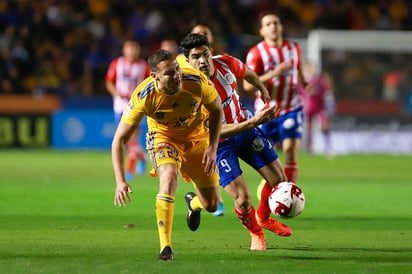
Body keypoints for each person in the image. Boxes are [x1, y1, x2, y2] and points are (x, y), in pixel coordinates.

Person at [180, 33, 292, 251]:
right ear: (188, 60)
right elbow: (216, 129)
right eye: (196, 57)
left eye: (205, 54)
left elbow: (248, 73)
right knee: (241, 198)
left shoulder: (226, 63)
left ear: (211, 52)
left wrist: (261, 87)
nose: (203, 61)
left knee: (279, 180)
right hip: (218, 144)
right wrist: (254, 122)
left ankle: (263, 218)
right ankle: (255, 233)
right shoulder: (189, 93)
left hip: (245, 128)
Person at [112, 49, 223, 261]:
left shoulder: (196, 81)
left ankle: (193, 205)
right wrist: (120, 181)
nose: (177, 75)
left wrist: (212, 147)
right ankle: (166, 248)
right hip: (164, 138)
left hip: (198, 140)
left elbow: (217, 110)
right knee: (169, 177)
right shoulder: (143, 96)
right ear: (154, 76)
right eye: (170, 73)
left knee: (212, 204)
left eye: (177, 69)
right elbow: (119, 140)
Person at [245, 12, 310, 202]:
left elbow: (298, 70)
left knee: (290, 149)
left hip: (292, 107)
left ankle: (289, 196)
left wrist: (305, 83)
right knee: (266, 155)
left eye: (276, 22)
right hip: (266, 112)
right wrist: (275, 72)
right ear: (262, 30)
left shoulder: (294, 48)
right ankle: (273, 186)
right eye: (268, 24)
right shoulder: (256, 53)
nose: (273, 26)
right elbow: (248, 86)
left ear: (281, 27)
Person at [188, 24, 226, 217]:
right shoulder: (181, 69)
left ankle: (195, 203)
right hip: (190, 136)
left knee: (211, 204)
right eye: (198, 34)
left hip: (213, 128)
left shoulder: (221, 63)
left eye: (205, 34)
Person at [105, 40, 149, 180]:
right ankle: (142, 157)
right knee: (127, 140)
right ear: (124, 50)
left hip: (137, 106)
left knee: (132, 138)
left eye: (134, 48)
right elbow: (109, 81)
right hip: (120, 106)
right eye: (129, 48)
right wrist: (116, 93)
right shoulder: (117, 64)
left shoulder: (143, 66)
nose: (132, 51)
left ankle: (129, 171)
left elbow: (150, 83)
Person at [299, 63, 335, 157]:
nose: (311, 69)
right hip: (309, 108)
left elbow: (326, 93)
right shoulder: (303, 81)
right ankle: (309, 149)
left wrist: (329, 106)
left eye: (312, 67)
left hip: (320, 107)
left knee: (325, 126)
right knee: (309, 129)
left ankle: (328, 148)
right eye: (309, 67)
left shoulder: (319, 80)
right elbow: (300, 94)